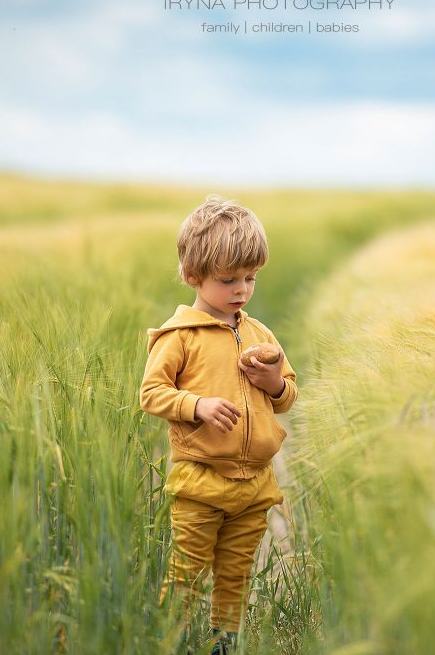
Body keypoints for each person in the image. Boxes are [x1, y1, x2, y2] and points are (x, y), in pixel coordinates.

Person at [140, 195, 297, 653]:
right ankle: (176, 640)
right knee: (187, 571)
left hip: (255, 485)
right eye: (228, 279)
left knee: (236, 572)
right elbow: (151, 394)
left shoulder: (260, 334)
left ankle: (224, 642)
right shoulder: (179, 337)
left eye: (250, 278)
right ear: (193, 276)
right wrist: (198, 405)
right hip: (200, 482)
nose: (242, 290)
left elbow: (287, 395)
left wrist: (272, 383)